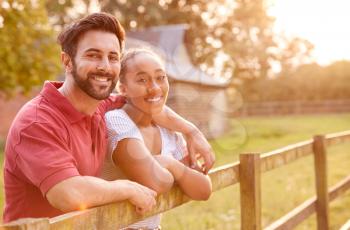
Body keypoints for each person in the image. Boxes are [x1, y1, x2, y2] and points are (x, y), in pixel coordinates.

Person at [3, 12, 214, 223]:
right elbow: (68, 193)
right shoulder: (37, 122)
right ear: (67, 61)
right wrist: (126, 188)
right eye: (93, 55)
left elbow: (147, 103)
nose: (104, 66)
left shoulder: (99, 104)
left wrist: (192, 132)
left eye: (113, 57)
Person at [101, 48, 212, 230]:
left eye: (161, 78)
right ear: (123, 89)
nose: (155, 88)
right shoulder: (116, 121)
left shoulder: (169, 133)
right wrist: (173, 167)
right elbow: (155, 181)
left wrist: (170, 164)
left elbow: (203, 190)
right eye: (142, 80)